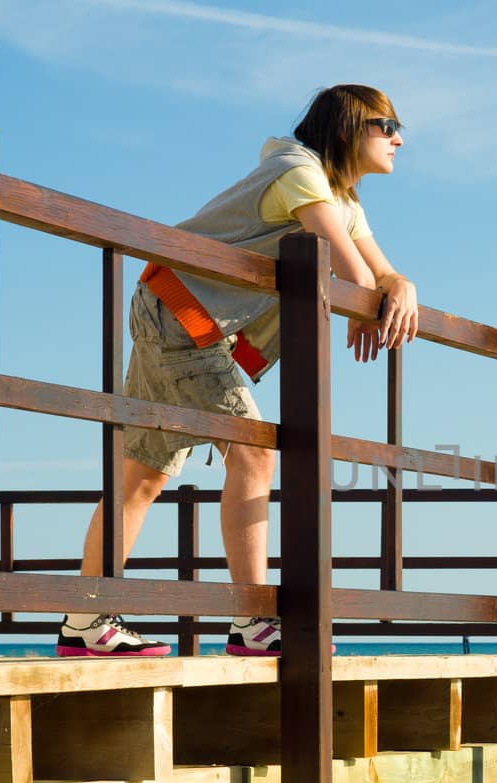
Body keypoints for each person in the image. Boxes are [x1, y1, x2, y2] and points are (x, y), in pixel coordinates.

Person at [56, 84, 418, 658]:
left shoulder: (341, 198)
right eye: (388, 125)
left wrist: (402, 285)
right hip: (183, 315)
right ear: (349, 127)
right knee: (254, 453)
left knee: (142, 476)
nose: (399, 138)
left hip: (174, 306)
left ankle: (84, 622)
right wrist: (377, 288)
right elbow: (357, 279)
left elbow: (382, 274)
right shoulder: (297, 173)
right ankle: (252, 621)